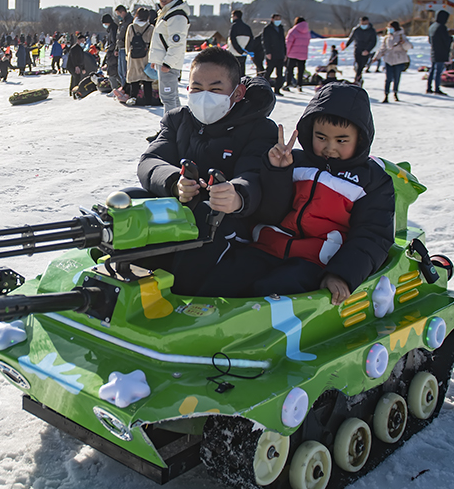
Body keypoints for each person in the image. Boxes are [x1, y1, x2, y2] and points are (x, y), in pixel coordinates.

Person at [195, 82, 395, 302]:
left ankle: (263, 330)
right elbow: (271, 210)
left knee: (273, 290)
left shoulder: (372, 181)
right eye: (321, 138)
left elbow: (373, 235)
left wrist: (341, 274)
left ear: (360, 139)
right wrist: (278, 171)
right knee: (222, 280)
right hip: (266, 247)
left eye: (341, 140)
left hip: (316, 261)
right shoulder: (296, 161)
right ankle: (202, 324)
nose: (330, 147)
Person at [137, 46, 279, 295]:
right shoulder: (177, 119)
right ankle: (126, 277)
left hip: (229, 220)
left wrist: (237, 195)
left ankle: (181, 296)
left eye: (215, 89)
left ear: (237, 93)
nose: (204, 97)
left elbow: (254, 174)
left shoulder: (259, 129)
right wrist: (174, 182)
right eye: (196, 88)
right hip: (181, 209)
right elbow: (150, 160)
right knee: (130, 201)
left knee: (204, 216)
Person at [147, 0, 190, 113]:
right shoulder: (166, 13)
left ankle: (171, 129)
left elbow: (177, 43)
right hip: (164, 62)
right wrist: (156, 60)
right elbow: (161, 40)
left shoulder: (176, 15)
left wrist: (168, 63)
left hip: (168, 64)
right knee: (171, 97)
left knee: (168, 98)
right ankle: (176, 126)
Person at [123, 8, 156, 106]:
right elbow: (154, 43)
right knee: (147, 80)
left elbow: (127, 43)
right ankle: (148, 102)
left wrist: (127, 54)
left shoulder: (131, 27)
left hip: (133, 56)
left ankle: (133, 98)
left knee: (134, 79)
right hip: (146, 56)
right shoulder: (150, 28)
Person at [374, 21, 412, 103]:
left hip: (399, 59)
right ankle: (386, 94)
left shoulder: (402, 36)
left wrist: (404, 43)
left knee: (397, 77)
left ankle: (395, 93)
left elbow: (408, 47)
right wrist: (377, 57)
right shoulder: (387, 37)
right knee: (388, 78)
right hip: (388, 59)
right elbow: (383, 48)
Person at [346, 16, 378, 86]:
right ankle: (358, 79)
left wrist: (368, 50)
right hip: (357, 49)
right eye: (362, 23)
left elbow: (373, 41)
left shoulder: (371, 31)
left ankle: (358, 79)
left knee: (361, 65)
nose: (364, 24)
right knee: (358, 64)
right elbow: (351, 38)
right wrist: (346, 45)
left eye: (365, 23)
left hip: (366, 50)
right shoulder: (356, 30)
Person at [260, 14, 287, 91]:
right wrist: (267, 52)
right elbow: (265, 42)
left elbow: (283, 41)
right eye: (276, 19)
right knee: (269, 71)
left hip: (280, 53)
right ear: (272, 19)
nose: (278, 21)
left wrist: (285, 53)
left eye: (279, 19)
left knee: (279, 73)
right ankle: (263, 87)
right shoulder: (268, 29)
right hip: (272, 53)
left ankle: (277, 89)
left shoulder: (281, 28)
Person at [283, 16, 310, 92]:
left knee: (289, 69)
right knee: (301, 70)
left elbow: (288, 43)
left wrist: (287, 53)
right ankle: (299, 85)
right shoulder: (307, 32)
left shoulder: (293, 31)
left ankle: (288, 84)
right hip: (303, 54)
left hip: (293, 53)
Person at [227, 9, 254, 78]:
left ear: (235, 16)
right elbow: (251, 39)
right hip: (244, 54)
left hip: (234, 53)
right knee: (242, 72)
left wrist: (239, 50)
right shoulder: (247, 27)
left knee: (233, 72)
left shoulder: (234, 26)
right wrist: (246, 50)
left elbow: (233, 40)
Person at [114, 5, 133, 89]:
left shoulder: (129, 21)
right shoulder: (122, 22)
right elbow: (118, 37)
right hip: (120, 47)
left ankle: (126, 89)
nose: (118, 16)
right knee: (120, 71)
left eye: (119, 14)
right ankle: (123, 87)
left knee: (125, 71)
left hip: (126, 48)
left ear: (123, 12)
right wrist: (116, 48)